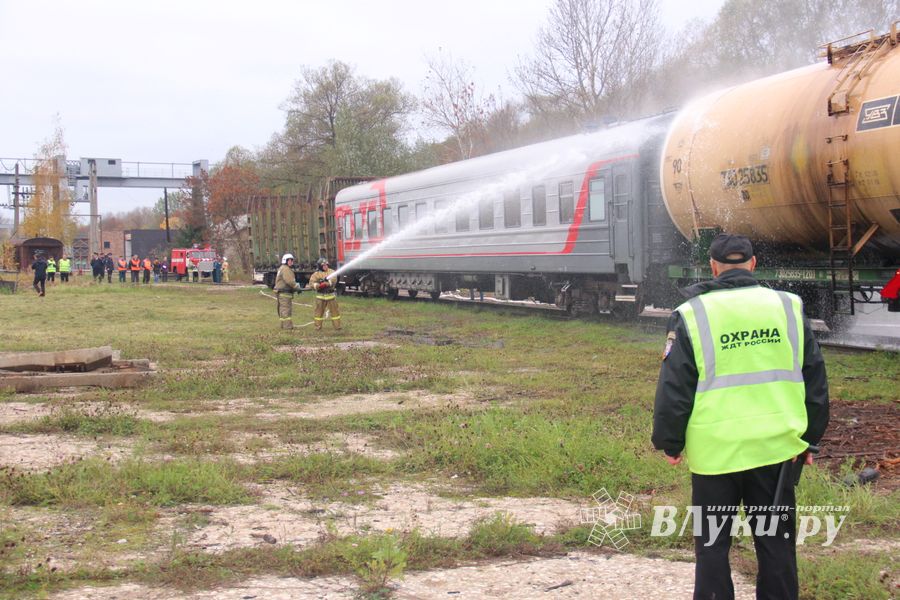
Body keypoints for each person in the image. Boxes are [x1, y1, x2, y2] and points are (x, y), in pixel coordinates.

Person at [652, 233, 829, 600]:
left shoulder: (692, 313)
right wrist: (810, 437)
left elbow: (675, 387)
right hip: (776, 450)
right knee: (776, 545)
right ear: (753, 264)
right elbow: (814, 377)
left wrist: (669, 441)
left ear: (713, 268)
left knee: (713, 547)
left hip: (715, 454)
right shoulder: (788, 306)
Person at [307, 258, 341, 331]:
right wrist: (317, 285)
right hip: (320, 296)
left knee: (335, 312)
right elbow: (311, 283)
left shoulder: (332, 271)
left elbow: (334, 279)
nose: (326, 266)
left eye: (326, 265)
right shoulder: (316, 274)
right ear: (320, 266)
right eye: (323, 265)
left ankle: (337, 326)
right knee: (318, 313)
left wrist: (327, 283)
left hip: (330, 295)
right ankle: (317, 327)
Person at [273, 253, 303, 329]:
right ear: (285, 261)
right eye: (289, 260)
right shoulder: (286, 269)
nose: (291, 262)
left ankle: (283, 325)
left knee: (283, 310)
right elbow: (290, 281)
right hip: (284, 293)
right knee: (286, 310)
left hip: (282, 292)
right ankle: (287, 326)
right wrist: (297, 287)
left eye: (292, 260)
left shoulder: (282, 268)